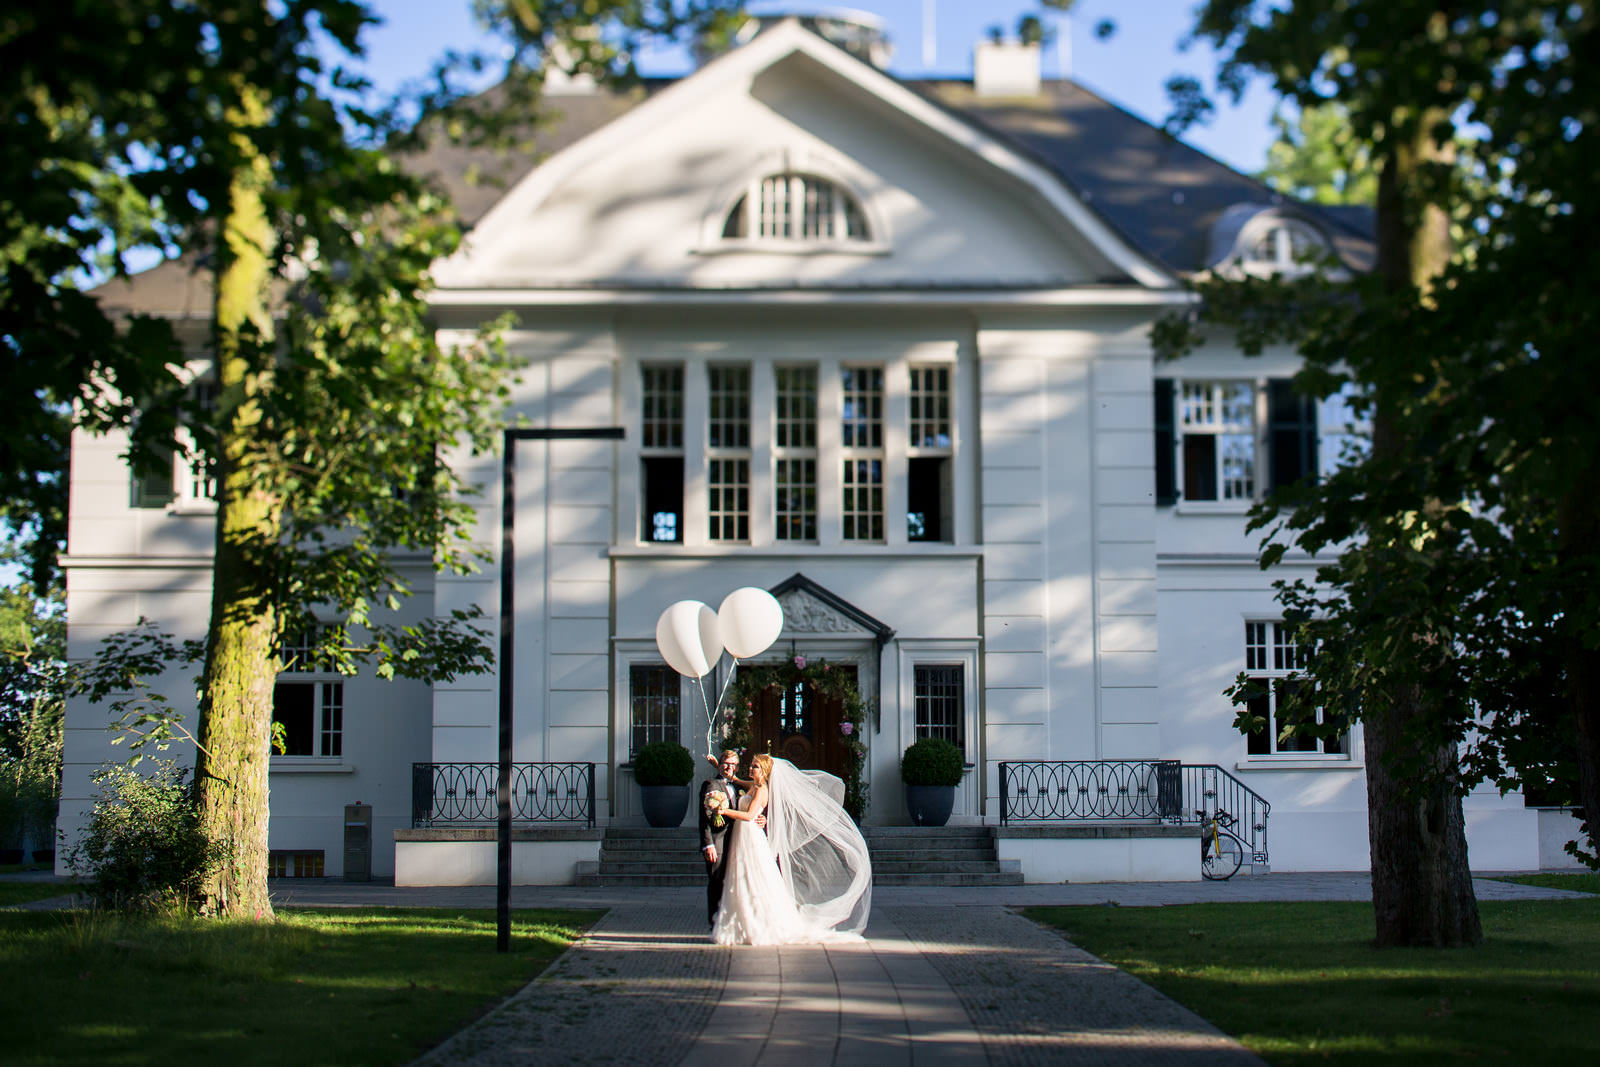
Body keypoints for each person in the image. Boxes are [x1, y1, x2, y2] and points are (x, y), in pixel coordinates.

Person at [710, 753, 873, 946]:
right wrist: (720, 767)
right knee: (742, 877)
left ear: (764, 771)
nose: (751, 768)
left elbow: (749, 815)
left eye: (755, 766)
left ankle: (759, 924)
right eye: (752, 765)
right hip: (743, 836)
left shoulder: (762, 790)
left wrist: (723, 811)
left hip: (751, 837)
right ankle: (741, 924)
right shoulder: (754, 785)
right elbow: (738, 781)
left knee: (754, 877)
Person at [699, 749, 744, 927]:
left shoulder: (740, 787)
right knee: (716, 881)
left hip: (738, 840)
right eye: (725, 763)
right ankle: (714, 921)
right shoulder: (711, 785)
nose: (729, 767)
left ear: (737, 767)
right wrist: (708, 844)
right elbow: (704, 818)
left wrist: (760, 818)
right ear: (719, 764)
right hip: (718, 842)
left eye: (733, 764)